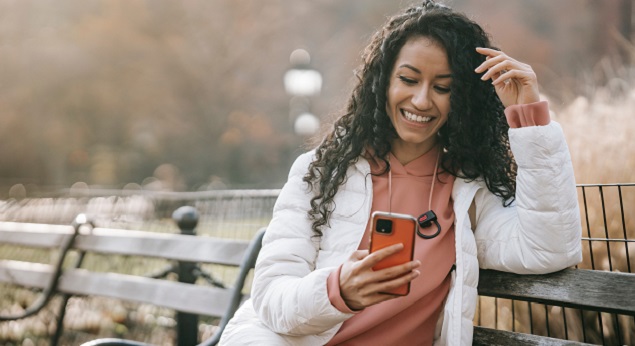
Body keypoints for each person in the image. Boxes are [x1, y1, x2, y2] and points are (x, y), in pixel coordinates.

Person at [220, 1, 582, 345]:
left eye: (443, 88)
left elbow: (547, 249)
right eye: (408, 80)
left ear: (463, 99)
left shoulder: (469, 192)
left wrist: (530, 118)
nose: (422, 101)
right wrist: (337, 289)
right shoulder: (321, 172)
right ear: (383, 83)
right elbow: (271, 296)